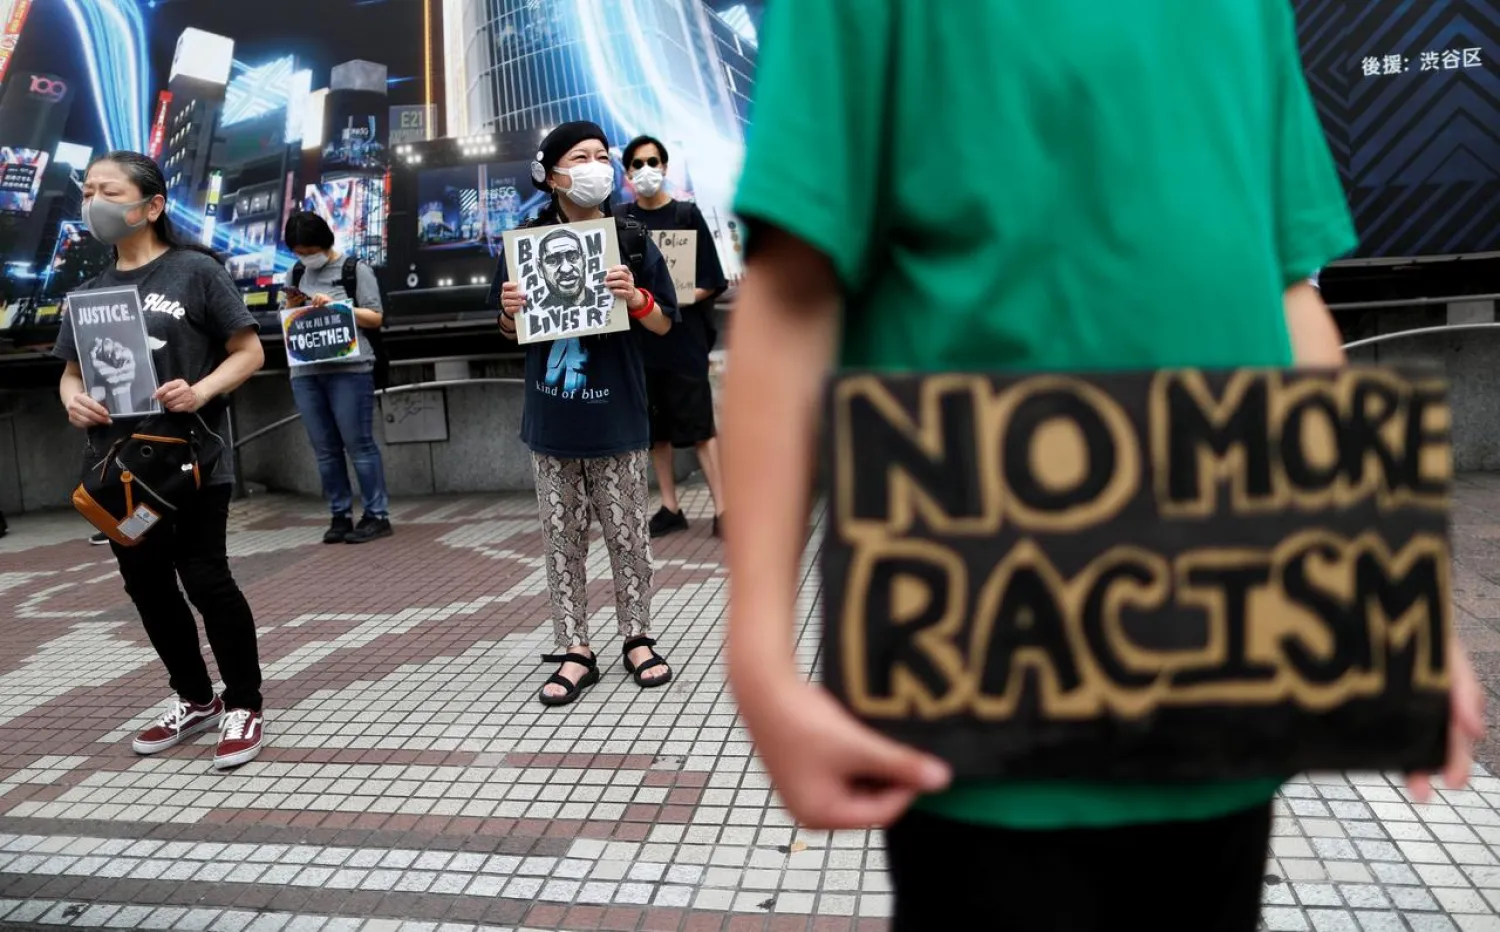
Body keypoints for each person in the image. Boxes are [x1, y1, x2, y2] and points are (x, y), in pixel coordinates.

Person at [719, 4, 1486, 931]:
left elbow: (1288, 293)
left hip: (1224, 687)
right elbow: (791, 294)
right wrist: (758, 655)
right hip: (978, 694)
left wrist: (1393, 598)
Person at [54, 150, 267, 769]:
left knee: (205, 578)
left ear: (151, 205)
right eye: (88, 190)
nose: (94, 202)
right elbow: (70, 376)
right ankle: (194, 698)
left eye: (108, 191)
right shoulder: (89, 294)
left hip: (192, 463)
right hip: (121, 476)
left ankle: (244, 703)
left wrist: (201, 390)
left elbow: (248, 351)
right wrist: (74, 403)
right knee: (146, 585)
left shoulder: (195, 272)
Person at [488, 121, 680, 707]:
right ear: (549, 174)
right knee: (562, 542)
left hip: (619, 415)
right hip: (552, 422)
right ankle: (575, 649)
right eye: (581, 157)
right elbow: (506, 331)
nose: (596, 166)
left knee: (630, 538)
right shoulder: (524, 242)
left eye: (603, 156)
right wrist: (509, 309)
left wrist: (637, 297)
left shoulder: (631, 238)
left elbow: (666, 321)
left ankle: (638, 637)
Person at [617, 135, 729, 538]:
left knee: (701, 428)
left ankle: (724, 509)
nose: (646, 170)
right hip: (639, 342)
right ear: (627, 174)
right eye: (636, 164)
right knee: (654, 433)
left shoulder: (687, 215)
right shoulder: (621, 220)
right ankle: (669, 506)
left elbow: (713, 280)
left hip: (685, 340)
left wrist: (675, 297)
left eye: (652, 161)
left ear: (664, 167)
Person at [282, 211, 393, 544]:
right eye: (298, 252)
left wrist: (337, 306)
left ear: (325, 242)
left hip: (350, 369)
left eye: (309, 249)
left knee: (359, 445)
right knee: (325, 450)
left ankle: (376, 515)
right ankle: (339, 514)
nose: (305, 257)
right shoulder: (295, 272)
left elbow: (375, 318)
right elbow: (288, 318)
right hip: (305, 370)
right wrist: (291, 303)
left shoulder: (354, 269)